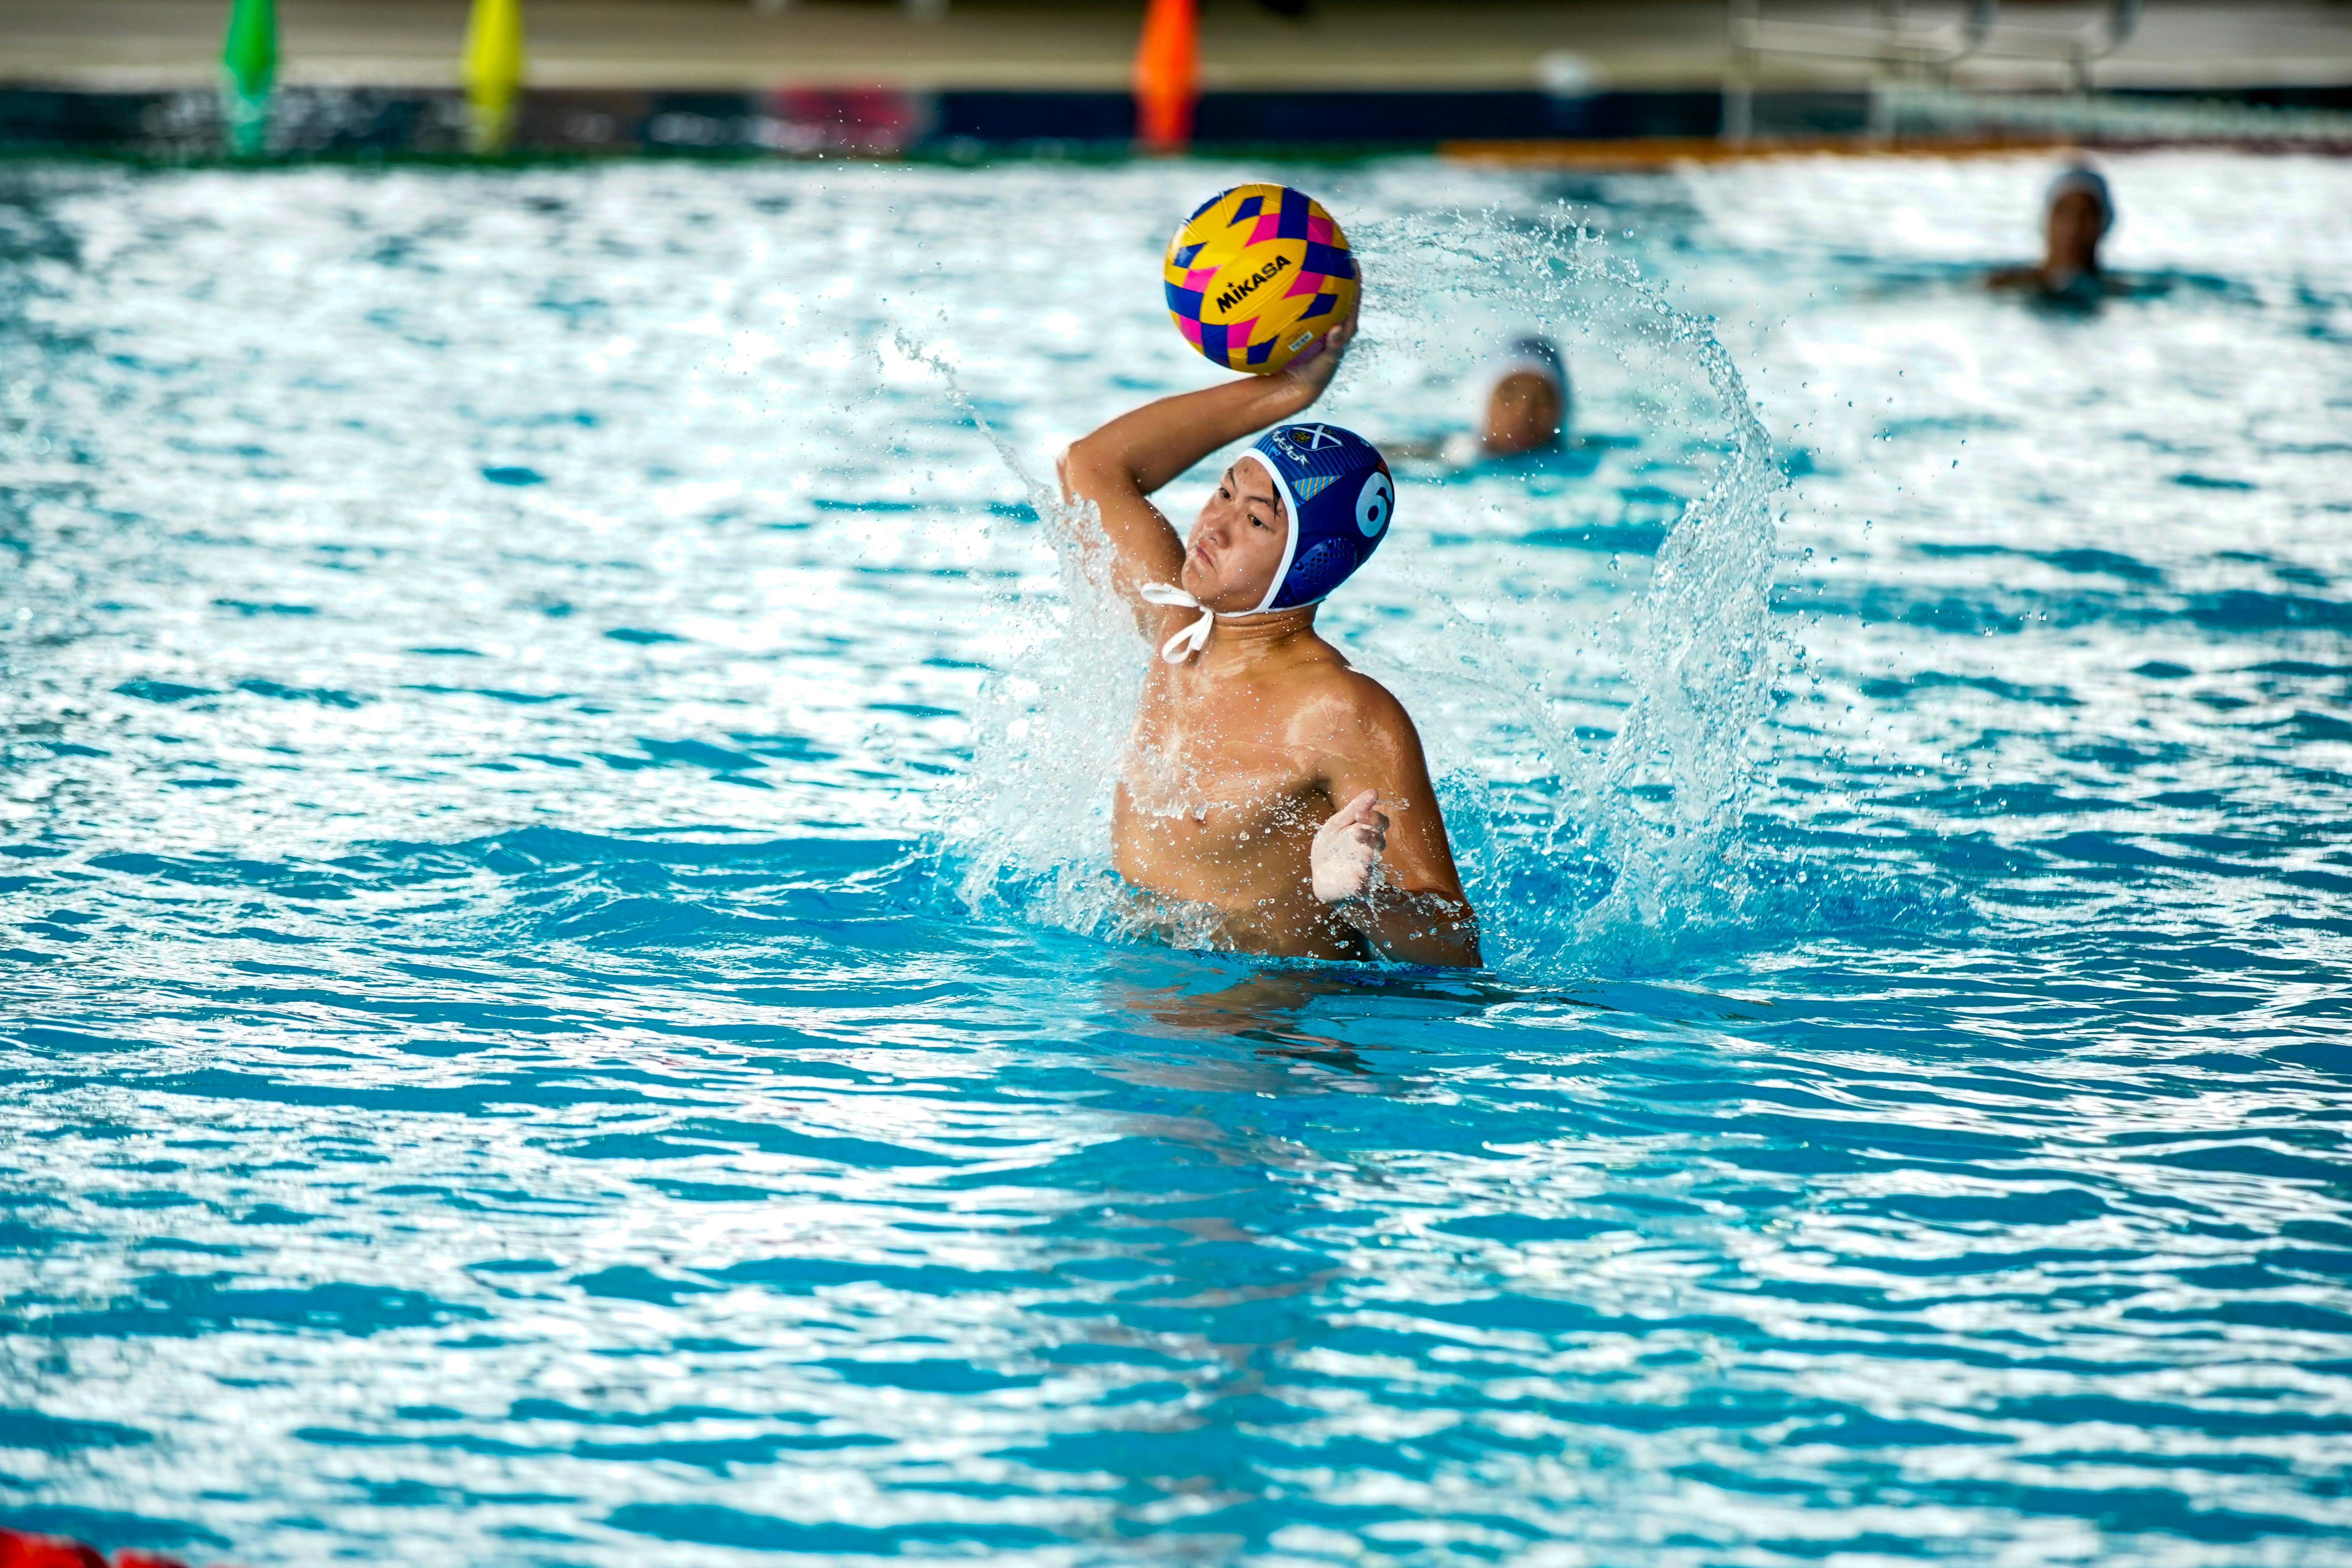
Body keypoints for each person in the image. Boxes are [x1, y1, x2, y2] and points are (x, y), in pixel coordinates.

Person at [1057, 297, 1481, 967]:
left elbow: (1456, 946)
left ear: (1311, 562)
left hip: (1267, 1036)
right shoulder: (1179, 630)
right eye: (1224, 492)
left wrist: (1361, 901)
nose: (1212, 527)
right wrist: (1286, 390)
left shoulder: (1343, 711)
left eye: (1257, 522)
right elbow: (1091, 467)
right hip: (1131, 1020)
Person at [1989, 165, 2116, 299]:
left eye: (2087, 214)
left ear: (2104, 223)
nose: (2074, 226)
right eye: (2063, 212)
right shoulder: (2003, 286)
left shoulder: (2118, 293)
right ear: (2046, 220)